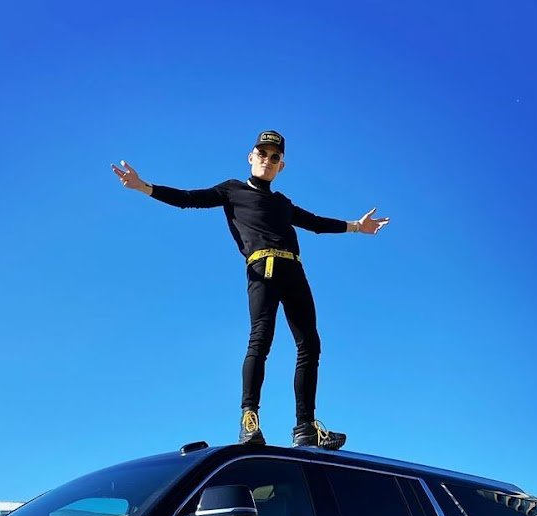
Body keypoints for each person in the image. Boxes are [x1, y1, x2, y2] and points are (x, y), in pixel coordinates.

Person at [111, 130, 389, 449]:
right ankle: (249, 419)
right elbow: (188, 199)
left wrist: (356, 226)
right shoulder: (232, 190)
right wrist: (143, 187)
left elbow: (315, 222)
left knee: (310, 344)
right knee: (261, 339)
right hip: (262, 268)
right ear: (251, 157)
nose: (267, 160)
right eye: (262, 154)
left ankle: (305, 427)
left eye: (275, 157)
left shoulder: (282, 203)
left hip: (294, 270)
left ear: (281, 166)